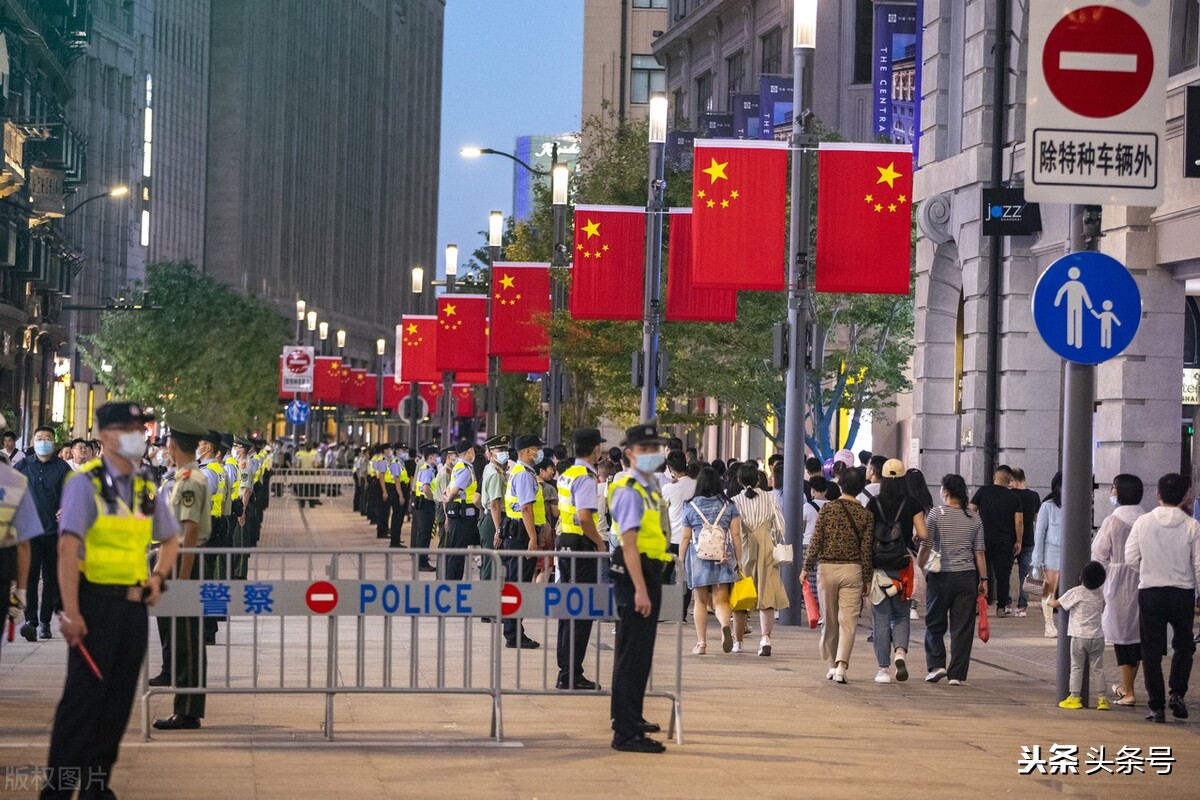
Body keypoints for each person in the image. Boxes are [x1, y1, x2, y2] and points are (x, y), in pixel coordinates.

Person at [41, 403, 180, 798]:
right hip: (95, 606)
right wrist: (70, 612)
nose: (139, 433)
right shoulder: (85, 483)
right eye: (128, 427)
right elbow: (68, 550)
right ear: (105, 436)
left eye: (141, 426)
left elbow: (169, 538)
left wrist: (158, 576)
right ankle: (57, 792)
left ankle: (96, 789)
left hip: (133, 610)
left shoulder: (143, 484)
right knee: (82, 708)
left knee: (117, 706)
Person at [608, 421, 673, 753]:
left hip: (649, 571)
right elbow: (629, 544)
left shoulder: (648, 488)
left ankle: (632, 723)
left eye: (654, 448)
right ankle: (625, 731)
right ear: (630, 454)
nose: (652, 454)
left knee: (640, 656)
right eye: (645, 449)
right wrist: (640, 589)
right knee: (632, 657)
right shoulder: (630, 489)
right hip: (637, 574)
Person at [152, 414, 213, 730]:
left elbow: (189, 530)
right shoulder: (183, 476)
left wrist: (184, 578)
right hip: (179, 561)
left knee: (187, 638)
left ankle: (188, 710)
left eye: (166, 444)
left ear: (173, 445)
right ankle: (185, 706)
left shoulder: (190, 480)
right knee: (182, 636)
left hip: (185, 562)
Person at [1124, 473, 1200, 723]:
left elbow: (1131, 558)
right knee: (1184, 645)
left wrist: (1148, 571)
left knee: (1151, 649)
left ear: (1158, 494)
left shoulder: (1143, 522)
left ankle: (1156, 706)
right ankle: (1177, 692)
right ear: (1185, 498)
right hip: (1182, 593)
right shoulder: (1192, 526)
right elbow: (1199, 565)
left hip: (1151, 591)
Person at [800, 468, 872, 683]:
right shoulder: (866, 515)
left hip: (827, 569)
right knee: (848, 620)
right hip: (854, 570)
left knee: (830, 620)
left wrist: (806, 568)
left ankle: (832, 664)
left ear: (840, 486)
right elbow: (866, 549)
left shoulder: (828, 510)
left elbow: (816, 541)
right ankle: (841, 666)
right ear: (860, 489)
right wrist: (867, 577)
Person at [920, 474, 987, 686]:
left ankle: (937, 665)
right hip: (967, 576)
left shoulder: (936, 513)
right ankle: (956, 674)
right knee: (962, 627)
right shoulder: (973, 517)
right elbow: (979, 552)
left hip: (940, 576)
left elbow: (926, 544)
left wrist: (921, 565)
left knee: (934, 622)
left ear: (945, 491)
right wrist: (983, 579)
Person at [555, 428, 606, 691]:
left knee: (567, 609)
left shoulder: (566, 474)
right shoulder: (586, 477)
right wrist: (599, 542)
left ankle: (565, 670)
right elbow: (585, 517)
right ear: (596, 449)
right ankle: (572, 674)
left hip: (565, 542)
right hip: (581, 546)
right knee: (581, 610)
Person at [865, 459, 924, 683]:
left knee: (881, 618)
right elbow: (924, 533)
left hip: (878, 566)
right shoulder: (912, 503)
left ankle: (883, 669)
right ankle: (900, 652)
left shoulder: (873, 504)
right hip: (902, 565)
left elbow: (868, 535)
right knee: (901, 614)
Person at [1091, 473, 1145, 706]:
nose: (1111, 492)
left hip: (1118, 581)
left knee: (1122, 637)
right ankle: (1127, 685)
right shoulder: (1146, 519)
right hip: (1144, 579)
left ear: (1121, 492)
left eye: (1113, 488)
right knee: (1137, 635)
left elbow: (1099, 554)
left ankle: (1130, 691)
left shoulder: (1112, 521)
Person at [17, 426, 70, 641]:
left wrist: (66, 508)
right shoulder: (23, 465)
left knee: (50, 578)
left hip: (53, 532)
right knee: (29, 577)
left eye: (47, 438)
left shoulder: (63, 468)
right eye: (39, 438)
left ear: (54, 443)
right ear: (32, 441)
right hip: (29, 532)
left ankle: (45, 621)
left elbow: (74, 494)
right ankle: (31, 620)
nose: (43, 442)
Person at [680, 466, 741, 655]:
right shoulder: (729, 505)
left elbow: (685, 537)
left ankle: (702, 643)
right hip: (722, 555)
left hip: (698, 557)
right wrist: (739, 559)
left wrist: (680, 562)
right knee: (720, 598)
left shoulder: (690, 506)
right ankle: (724, 625)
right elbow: (736, 534)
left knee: (700, 600)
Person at [731, 463, 788, 656]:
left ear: (739, 480)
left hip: (744, 550)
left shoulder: (735, 500)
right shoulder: (770, 497)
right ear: (758, 479)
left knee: (742, 596)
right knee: (767, 595)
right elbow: (781, 527)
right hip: (766, 548)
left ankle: (738, 642)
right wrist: (773, 540)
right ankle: (765, 638)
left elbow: (733, 532)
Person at [500, 435, 546, 649]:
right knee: (517, 586)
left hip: (518, 532)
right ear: (528, 451)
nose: (539, 452)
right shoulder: (524, 475)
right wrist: (533, 539)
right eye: (537, 448)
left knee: (515, 584)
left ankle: (514, 630)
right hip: (521, 535)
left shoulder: (520, 472)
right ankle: (513, 633)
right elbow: (526, 508)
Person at [1050, 560, 1109, 711]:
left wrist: (1049, 600)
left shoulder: (1077, 592)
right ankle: (1102, 700)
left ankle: (1074, 697)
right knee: (1098, 669)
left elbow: (1057, 603)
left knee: (1076, 667)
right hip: (1097, 637)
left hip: (1079, 636)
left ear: (1081, 577)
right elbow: (1102, 608)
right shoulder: (1100, 593)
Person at [970, 466, 1024, 617]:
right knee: (1003, 576)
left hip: (983, 541)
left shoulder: (983, 492)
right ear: (1009, 480)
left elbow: (970, 511)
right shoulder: (1014, 497)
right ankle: (1001, 607)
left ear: (995, 477)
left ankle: (976, 604)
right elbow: (1019, 521)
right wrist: (1018, 541)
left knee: (979, 573)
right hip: (1005, 542)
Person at [660, 450, 697, 615]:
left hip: (671, 537)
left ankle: (666, 610)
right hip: (689, 538)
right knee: (685, 575)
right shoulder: (696, 484)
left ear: (670, 467)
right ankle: (681, 612)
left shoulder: (667, 488)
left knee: (664, 574)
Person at [1032, 473, 1065, 638]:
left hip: (1068, 551)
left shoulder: (1074, 504)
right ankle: (1049, 625)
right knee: (1050, 589)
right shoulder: (1047, 506)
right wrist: (1037, 561)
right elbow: (1039, 534)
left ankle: (1062, 624)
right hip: (1051, 552)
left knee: (1067, 589)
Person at [441, 441, 480, 580]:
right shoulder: (464, 469)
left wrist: (448, 498)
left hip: (459, 516)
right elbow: (454, 490)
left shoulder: (460, 466)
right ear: (470, 451)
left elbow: (449, 489)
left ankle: (451, 581)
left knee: (456, 551)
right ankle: (452, 583)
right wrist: (449, 498)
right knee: (458, 553)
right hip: (462, 516)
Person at [1009, 468, 1041, 617]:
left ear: (1012, 481)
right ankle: (1022, 606)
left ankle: (1006, 603)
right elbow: (1037, 520)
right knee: (1025, 575)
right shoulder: (1034, 496)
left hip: (1010, 540)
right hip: (1029, 540)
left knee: (1005, 573)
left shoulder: (1009, 495)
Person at [477, 435, 509, 582]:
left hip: (489, 518)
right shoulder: (495, 474)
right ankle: (486, 599)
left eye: (505, 449)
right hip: (494, 520)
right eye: (499, 449)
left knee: (490, 562)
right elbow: (495, 504)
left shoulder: (490, 468)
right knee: (491, 564)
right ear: (489, 453)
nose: (503, 452)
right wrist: (498, 530)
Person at [411, 444, 439, 572]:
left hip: (423, 504)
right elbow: (426, 489)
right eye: (435, 456)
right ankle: (422, 562)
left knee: (423, 533)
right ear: (430, 457)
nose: (437, 458)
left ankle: (421, 560)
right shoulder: (427, 470)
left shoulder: (428, 469)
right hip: (425, 505)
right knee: (425, 535)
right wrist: (435, 499)